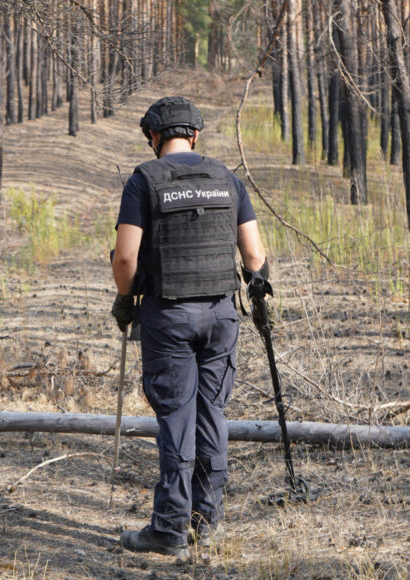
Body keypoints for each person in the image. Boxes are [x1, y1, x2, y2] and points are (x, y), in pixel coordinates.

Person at [110, 96, 270, 557]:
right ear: (195, 134)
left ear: (154, 137)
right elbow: (255, 258)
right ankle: (207, 521)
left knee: (177, 419)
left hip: (170, 316)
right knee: (211, 414)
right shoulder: (227, 178)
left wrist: (126, 297)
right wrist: (260, 298)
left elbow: (125, 258)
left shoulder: (144, 182)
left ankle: (169, 529)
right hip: (222, 315)